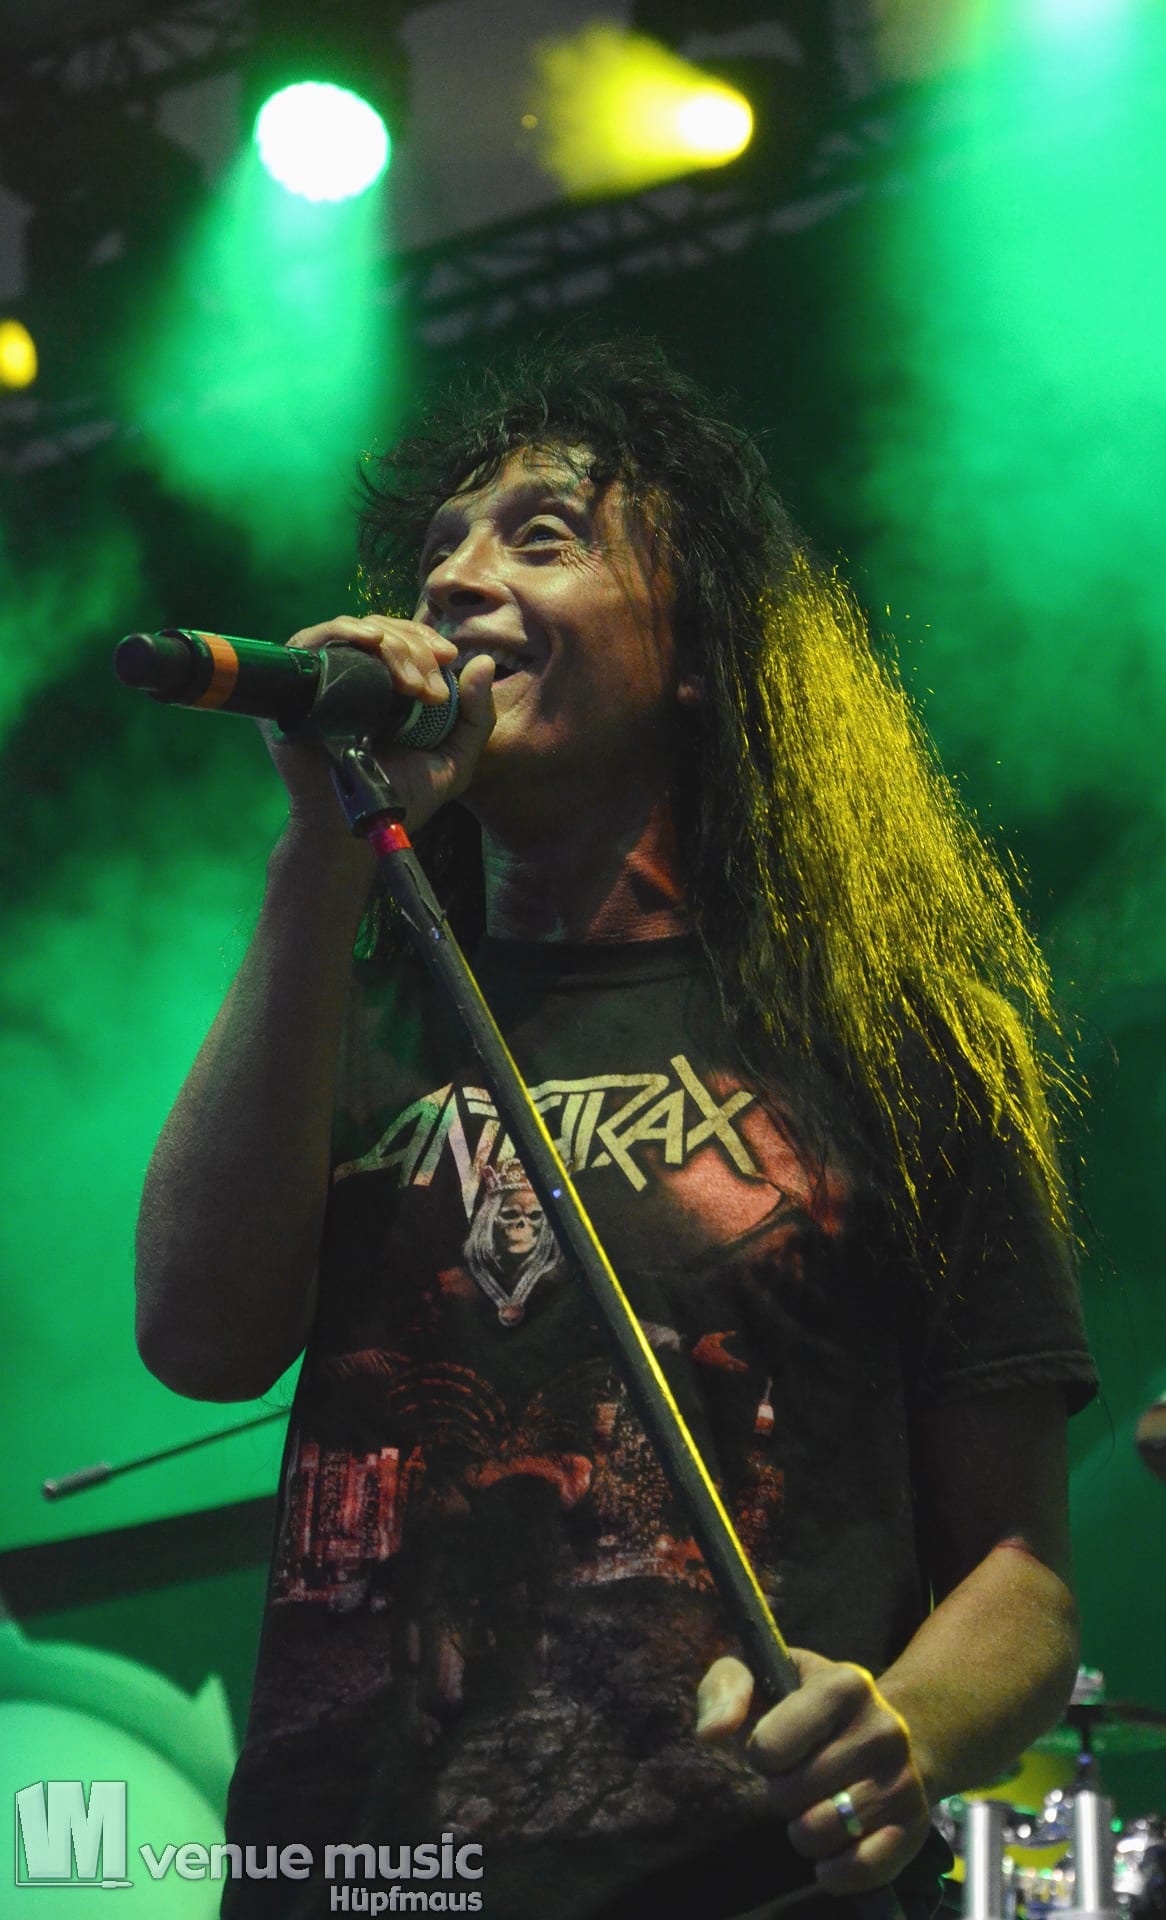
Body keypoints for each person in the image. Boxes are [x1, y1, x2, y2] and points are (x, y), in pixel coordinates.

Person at [134, 335, 1097, 1920]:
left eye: (540, 537)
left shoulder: (883, 1041)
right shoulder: (346, 1019)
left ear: (697, 647)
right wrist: (321, 854)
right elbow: (198, 1340)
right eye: (441, 554)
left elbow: (1024, 1574)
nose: (457, 583)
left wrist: (906, 1731)